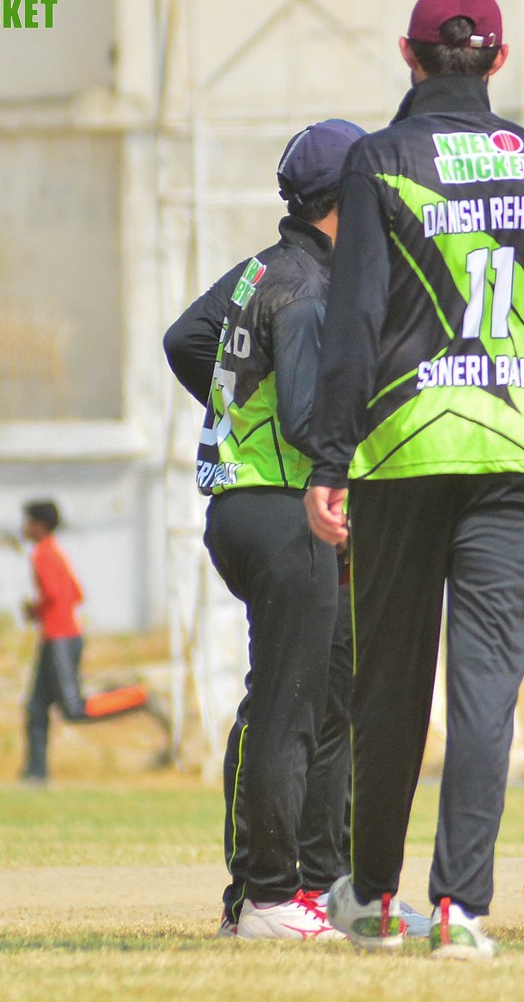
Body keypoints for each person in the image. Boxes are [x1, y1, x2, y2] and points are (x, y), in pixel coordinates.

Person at [305, 0, 524, 961]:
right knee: (486, 688)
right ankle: (459, 908)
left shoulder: (380, 159)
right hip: (516, 445)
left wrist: (329, 456)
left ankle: (375, 897)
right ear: (499, 59)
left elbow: (356, 316)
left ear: (408, 56)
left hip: (407, 447)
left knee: (390, 683)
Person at [164, 118, 367, 942]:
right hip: (287, 511)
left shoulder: (263, 269)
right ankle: (269, 896)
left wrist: (235, 408)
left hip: (247, 505)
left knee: (316, 696)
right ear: (345, 198)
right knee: (290, 706)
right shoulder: (311, 288)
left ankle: (311, 885)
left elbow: (186, 339)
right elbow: (308, 418)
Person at [17, 499, 158, 784]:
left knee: (74, 709)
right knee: (36, 706)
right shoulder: (54, 551)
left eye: (28, 522)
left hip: (60, 637)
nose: (24, 528)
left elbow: (55, 594)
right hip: (58, 636)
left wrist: (35, 610)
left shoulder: (42, 554)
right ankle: (35, 773)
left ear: (39, 526)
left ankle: (137, 697)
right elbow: (76, 593)